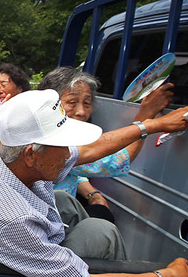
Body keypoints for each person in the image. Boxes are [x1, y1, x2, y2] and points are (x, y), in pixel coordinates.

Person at [0, 89, 188, 277]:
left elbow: (92, 149)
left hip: (19, 254)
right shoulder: (12, 217)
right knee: (101, 231)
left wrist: (151, 125)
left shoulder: (5, 160)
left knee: (66, 201)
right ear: (31, 155)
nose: (70, 150)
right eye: (62, 144)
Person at [37, 67, 173, 222]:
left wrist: (93, 194)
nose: (81, 111)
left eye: (87, 103)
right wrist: (146, 116)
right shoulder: (54, 144)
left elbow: (72, 170)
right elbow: (118, 160)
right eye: (72, 102)